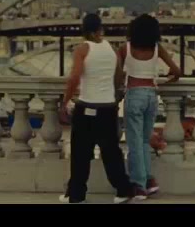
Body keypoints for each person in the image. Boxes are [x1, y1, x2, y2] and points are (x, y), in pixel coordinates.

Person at [58, 12, 134, 204]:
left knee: (80, 154)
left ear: (84, 30)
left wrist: (65, 102)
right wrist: (112, 95)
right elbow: (119, 75)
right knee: (111, 152)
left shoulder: (82, 49)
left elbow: (74, 77)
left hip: (87, 107)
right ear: (100, 29)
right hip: (108, 107)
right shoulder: (112, 49)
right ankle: (123, 190)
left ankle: (76, 195)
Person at [119, 14, 181, 200]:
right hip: (152, 95)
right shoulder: (157, 48)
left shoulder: (125, 48)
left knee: (134, 141)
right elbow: (176, 71)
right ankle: (149, 180)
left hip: (134, 93)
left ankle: (138, 185)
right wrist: (167, 80)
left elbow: (117, 75)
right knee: (145, 141)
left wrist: (117, 91)